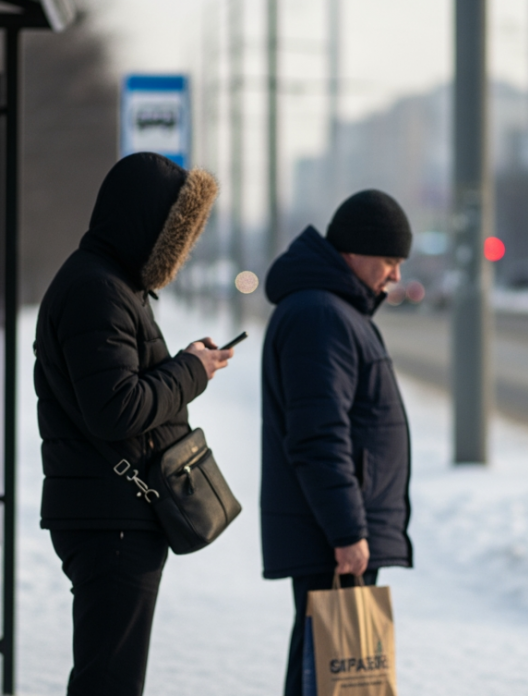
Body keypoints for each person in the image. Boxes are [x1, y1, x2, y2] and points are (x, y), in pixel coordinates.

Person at [34, 152, 226, 696]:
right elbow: (117, 408)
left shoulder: (109, 284)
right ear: (144, 223)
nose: (181, 251)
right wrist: (192, 371)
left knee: (110, 675)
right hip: (110, 518)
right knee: (109, 681)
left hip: (112, 511)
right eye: (174, 234)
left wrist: (186, 363)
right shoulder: (98, 290)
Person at [260, 189, 415, 696]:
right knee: (322, 679)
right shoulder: (321, 317)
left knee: (318, 676)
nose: (395, 275)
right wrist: (347, 531)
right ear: (353, 251)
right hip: (332, 539)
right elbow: (318, 435)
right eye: (389, 260)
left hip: (333, 535)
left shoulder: (333, 311)